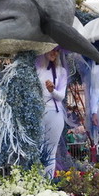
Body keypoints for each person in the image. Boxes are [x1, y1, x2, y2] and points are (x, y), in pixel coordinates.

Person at [35, 48, 68, 177]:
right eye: (51, 50)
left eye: (57, 51)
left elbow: (61, 96)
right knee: (38, 149)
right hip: (38, 113)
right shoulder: (36, 69)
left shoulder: (61, 71)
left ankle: (48, 183)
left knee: (51, 151)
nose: (54, 53)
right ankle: (36, 182)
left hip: (55, 113)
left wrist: (52, 90)